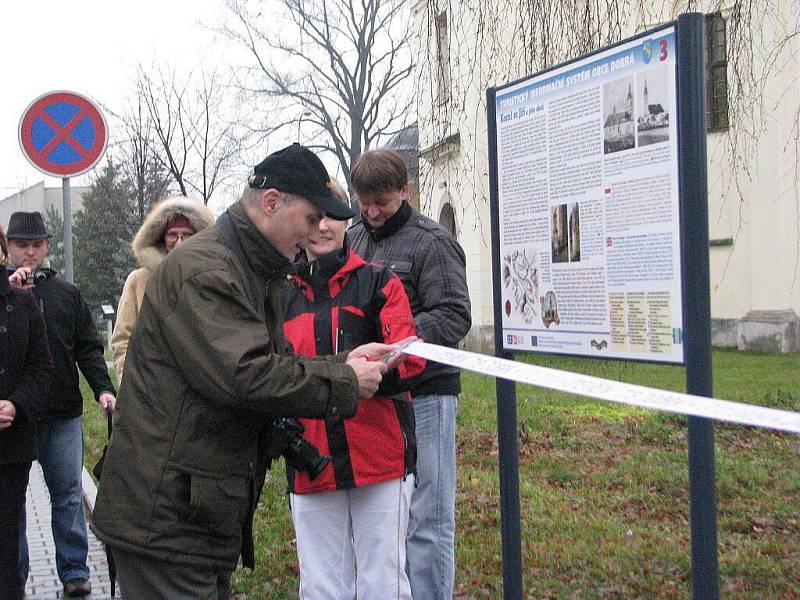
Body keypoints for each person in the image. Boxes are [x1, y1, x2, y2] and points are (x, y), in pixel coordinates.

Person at [91, 144, 403, 600]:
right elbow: (246, 376)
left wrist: (345, 365)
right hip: (167, 520)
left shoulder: (242, 266)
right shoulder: (207, 272)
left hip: (189, 513)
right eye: (312, 217)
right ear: (272, 201)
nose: (319, 230)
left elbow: (261, 362)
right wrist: (346, 381)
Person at [283, 180, 425, 599]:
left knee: (384, 582)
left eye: (332, 216)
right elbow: (270, 374)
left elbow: (411, 359)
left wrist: (374, 371)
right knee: (322, 585)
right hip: (312, 461)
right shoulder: (281, 296)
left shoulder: (379, 282)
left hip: (378, 459)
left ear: (347, 220)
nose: (323, 227)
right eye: (314, 217)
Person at [348, 148, 472, 599]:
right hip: (377, 397)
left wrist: (397, 339)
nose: (372, 211)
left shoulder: (432, 242)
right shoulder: (355, 238)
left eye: (381, 201)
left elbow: (455, 314)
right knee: (383, 512)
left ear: (405, 190)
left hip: (429, 394)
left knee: (429, 516)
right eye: (365, 202)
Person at [6, 211, 116, 598]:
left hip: (61, 413)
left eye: (37, 245)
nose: (30, 254)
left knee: (68, 494)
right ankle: (13, 577)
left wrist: (103, 388)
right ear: (8, 247)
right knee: (12, 503)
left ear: (47, 247)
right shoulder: (2, 294)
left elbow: (87, 347)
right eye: (22, 245)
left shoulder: (65, 294)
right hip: (14, 417)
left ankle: (74, 571)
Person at [0, 223, 53, 600]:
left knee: (6, 540)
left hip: (10, 446)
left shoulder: (22, 303)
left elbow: (41, 367)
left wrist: (16, 404)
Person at [111, 195, 215, 381]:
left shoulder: (211, 279)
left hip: (199, 388)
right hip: (151, 388)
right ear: (161, 237)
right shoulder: (139, 280)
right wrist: (129, 383)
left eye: (187, 235)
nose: (179, 242)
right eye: (172, 235)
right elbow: (122, 339)